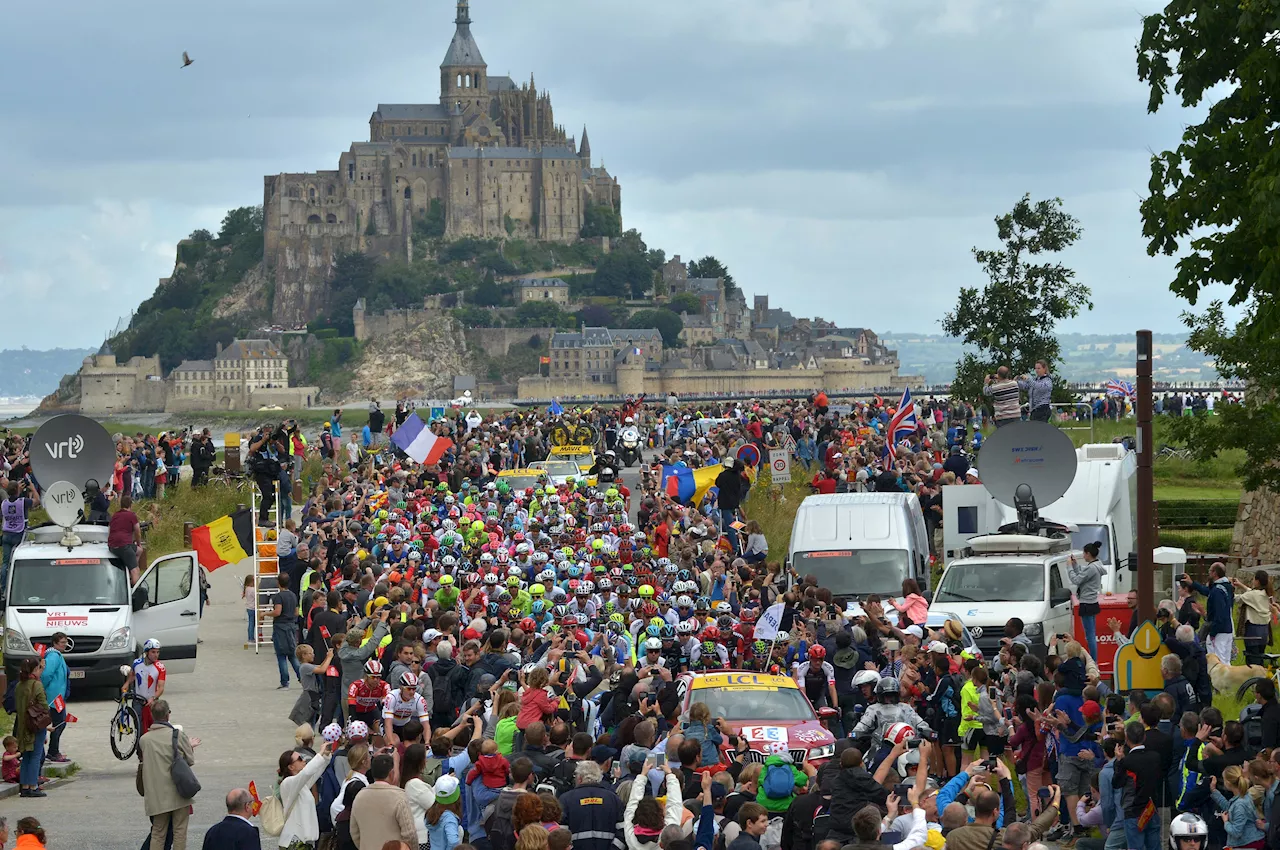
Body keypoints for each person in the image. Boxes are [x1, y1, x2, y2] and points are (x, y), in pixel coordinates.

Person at [139, 699, 199, 850]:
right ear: (168, 715)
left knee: (158, 833)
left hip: (157, 795)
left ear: (152, 716)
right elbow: (189, 761)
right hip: (178, 792)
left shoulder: (144, 740)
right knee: (179, 832)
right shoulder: (177, 735)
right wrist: (189, 747)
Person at [350, 753, 418, 850]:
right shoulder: (399, 797)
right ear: (391, 773)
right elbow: (409, 833)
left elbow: (354, 832)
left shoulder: (359, 796)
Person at [276, 740, 333, 848]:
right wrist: (320, 753)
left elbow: (315, 772)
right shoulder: (288, 783)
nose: (303, 760)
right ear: (290, 767)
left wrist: (326, 756)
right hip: (294, 842)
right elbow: (307, 772)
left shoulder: (301, 785)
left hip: (301, 842)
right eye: (299, 759)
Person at [13, 657, 48, 799]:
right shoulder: (36, 685)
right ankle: (33, 785)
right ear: (34, 669)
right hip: (35, 724)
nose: (41, 670)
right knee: (35, 755)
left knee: (26, 755)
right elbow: (44, 706)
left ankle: (25, 787)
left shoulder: (19, 685)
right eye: (40, 668)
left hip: (22, 724)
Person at [1068, 543, 1106, 659]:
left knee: (1090, 636)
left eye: (1084, 553)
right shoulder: (1096, 565)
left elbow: (1076, 579)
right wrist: (1075, 565)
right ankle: (1093, 659)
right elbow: (1082, 573)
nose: (1083, 556)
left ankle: (1093, 660)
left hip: (1087, 603)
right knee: (1091, 634)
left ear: (1088, 554)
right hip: (1092, 602)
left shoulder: (1092, 568)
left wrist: (1069, 567)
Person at [0, 480, 37, 599]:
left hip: (6, 534)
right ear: (17, 490)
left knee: (5, 563)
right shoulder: (23, 502)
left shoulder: (4, 503)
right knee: (20, 562)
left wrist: (17, 490)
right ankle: (19, 587)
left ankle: (3, 589)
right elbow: (37, 501)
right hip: (19, 534)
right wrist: (31, 487)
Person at [41, 632, 71, 764]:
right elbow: (46, 674)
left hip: (57, 696)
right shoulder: (53, 656)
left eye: (66, 642)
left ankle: (53, 751)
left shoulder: (57, 655)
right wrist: (43, 690)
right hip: (53, 698)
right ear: (55, 643)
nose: (65, 645)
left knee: (59, 723)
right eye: (62, 642)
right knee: (59, 723)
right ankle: (53, 752)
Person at [129, 638, 167, 734]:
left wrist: (153, 698)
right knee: (139, 726)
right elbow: (133, 676)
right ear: (146, 652)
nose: (156, 655)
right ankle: (139, 746)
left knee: (153, 727)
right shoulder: (136, 663)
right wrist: (126, 685)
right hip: (138, 700)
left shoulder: (160, 667)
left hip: (152, 702)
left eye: (157, 652)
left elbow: (161, 687)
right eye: (153, 652)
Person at [272, 573, 302, 689]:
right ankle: (302, 677)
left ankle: (285, 681)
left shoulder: (279, 597)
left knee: (281, 655)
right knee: (292, 654)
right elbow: (296, 612)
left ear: (278, 583)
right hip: (291, 626)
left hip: (280, 627)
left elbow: (277, 612)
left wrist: (266, 613)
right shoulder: (293, 595)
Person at [108, 493, 143, 584]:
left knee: (139, 551)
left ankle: (130, 566)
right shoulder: (131, 515)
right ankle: (134, 587)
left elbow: (110, 530)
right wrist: (138, 543)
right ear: (130, 505)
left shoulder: (115, 515)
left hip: (112, 546)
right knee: (135, 570)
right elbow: (137, 531)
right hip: (124, 546)